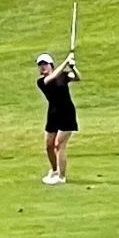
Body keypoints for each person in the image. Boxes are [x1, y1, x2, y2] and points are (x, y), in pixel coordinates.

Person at [36, 51, 80, 184]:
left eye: (45, 64)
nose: (43, 67)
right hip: (53, 114)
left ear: (51, 65)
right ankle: (54, 171)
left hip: (67, 113)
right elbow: (51, 79)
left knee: (59, 144)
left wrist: (73, 67)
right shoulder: (42, 81)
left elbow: (77, 77)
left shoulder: (62, 76)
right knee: (49, 145)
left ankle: (61, 176)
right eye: (40, 65)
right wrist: (66, 61)